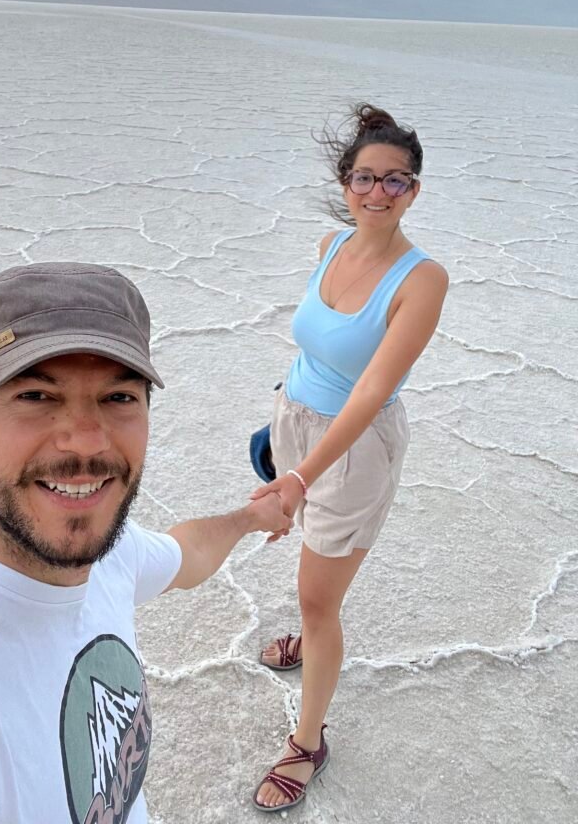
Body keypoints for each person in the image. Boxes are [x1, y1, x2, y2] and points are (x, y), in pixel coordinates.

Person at [0, 261, 291, 824]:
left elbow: (185, 554)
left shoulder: (112, 553)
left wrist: (252, 517)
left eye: (118, 397)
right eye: (36, 395)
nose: (85, 441)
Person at [251, 105, 449, 812]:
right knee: (312, 560)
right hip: (296, 423)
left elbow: (369, 390)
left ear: (414, 191)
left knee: (317, 596)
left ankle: (308, 743)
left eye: (395, 180)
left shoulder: (423, 280)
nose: (378, 192)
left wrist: (302, 475)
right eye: (365, 177)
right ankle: (312, 640)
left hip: (355, 447)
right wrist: (284, 432)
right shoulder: (329, 245)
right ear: (345, 184)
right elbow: (317, 346)